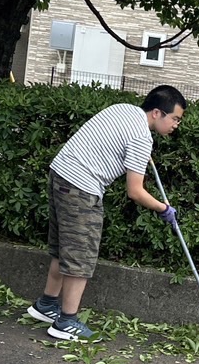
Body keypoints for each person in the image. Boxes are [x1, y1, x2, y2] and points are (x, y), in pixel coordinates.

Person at [28, 85, 187, 341]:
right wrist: (164, 208)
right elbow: (135, 191)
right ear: (157, 113)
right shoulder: (141, 137)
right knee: (82, 254)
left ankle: (47, 304)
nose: (176, 125)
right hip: (81, 185)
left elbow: (108, 142)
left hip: (60, 173)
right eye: (175, 119)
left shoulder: (123, 110)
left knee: (63, 248)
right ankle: (66, 322)